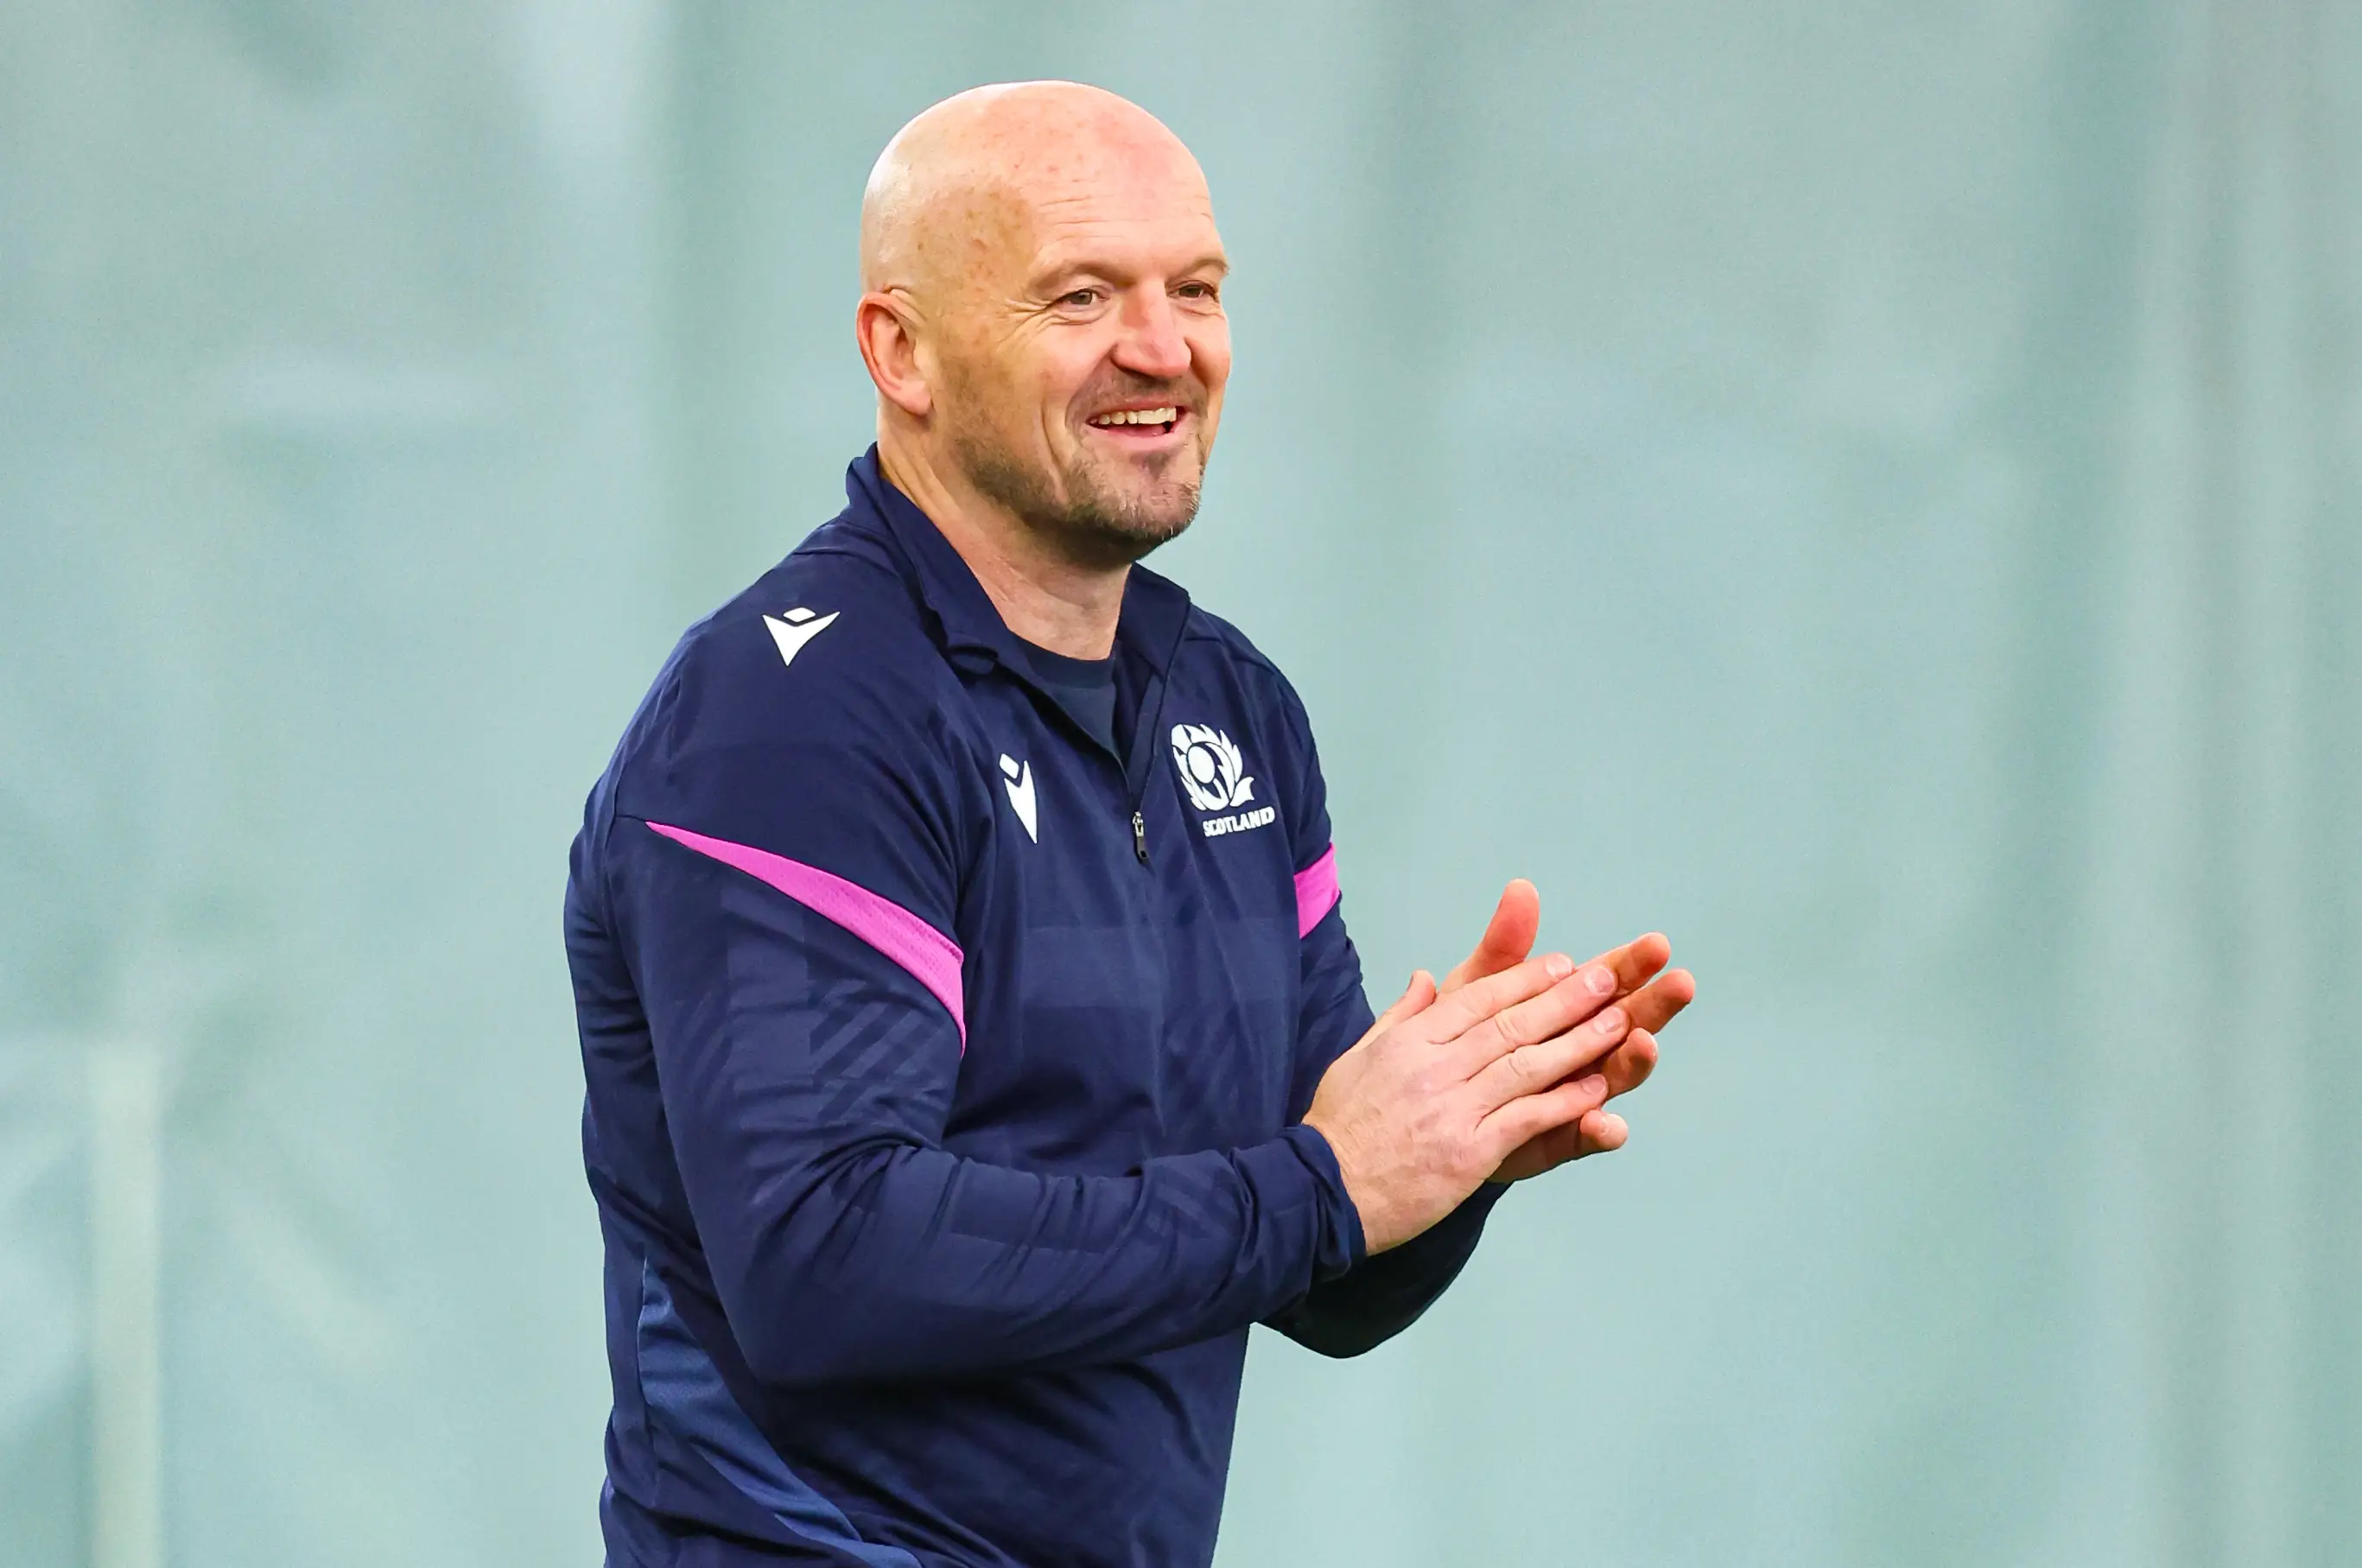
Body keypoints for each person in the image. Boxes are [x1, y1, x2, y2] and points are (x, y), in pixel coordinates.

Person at [563, 80, 1695, 1568]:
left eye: (1198, 290)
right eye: (1081, 294)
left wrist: (1453, 1144)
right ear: (898, 349)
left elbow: (1319, 1274)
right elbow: (823, 1256)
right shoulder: (792, 719)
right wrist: (1324, 1184)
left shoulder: (1231, 706)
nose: (1163, 349)